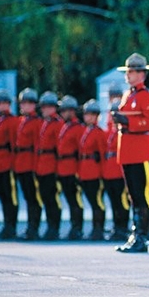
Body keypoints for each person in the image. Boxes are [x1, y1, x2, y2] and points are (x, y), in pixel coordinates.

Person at [112, 53, 149, 253]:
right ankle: (135, 234)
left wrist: (128, 121)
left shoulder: (147, 96)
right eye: (128, 71)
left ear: (142, 74)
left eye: (132, 71)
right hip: (127, 151)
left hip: (141, 152)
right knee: (132, 196)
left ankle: (143, 236)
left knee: (143, 196)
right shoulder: (128, 95)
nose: (128, 75)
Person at [0, 89, 20, 239]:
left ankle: (11, 225)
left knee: (10, 196)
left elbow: (15, 144)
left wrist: (14, 164)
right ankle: (6, 223)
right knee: (2, 195)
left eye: (4, 103)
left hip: (7, 162)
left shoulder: (12, 121)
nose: (1, 106)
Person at [14, 88, 43, 240]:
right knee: (27, 197)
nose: (26, 106)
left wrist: (36, 166)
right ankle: (29, 225)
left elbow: (37, 145)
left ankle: (34, 227)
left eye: (29, 103)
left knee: (33, 197)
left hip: (30, 163)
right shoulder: (20, 121)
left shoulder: (36, 122)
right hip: (21, 163)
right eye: (24, 103)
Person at [35, 91, 64, 240]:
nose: (45, 109)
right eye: (44, 107)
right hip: (42, 164)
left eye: (49, 107)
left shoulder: (57, 123)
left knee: (52, 198)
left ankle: (54, 227)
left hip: (51, 165)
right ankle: (50, 226)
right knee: (45, 197)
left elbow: (60, 147)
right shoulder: (44, 123)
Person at [57, 95, 86, 240]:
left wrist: (79, 172)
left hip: (73, 168)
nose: (61, 113)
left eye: (64, 110)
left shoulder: (78, 128)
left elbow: (81, 152)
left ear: (72, 111)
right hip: (63, 168)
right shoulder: (65, 126)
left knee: (75, 200)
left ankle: (77, 228)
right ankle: (73, 226)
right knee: (69, 199)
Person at [79, 99, 107, 240]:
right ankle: (95, 227)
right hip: (85, 171)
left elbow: (103, 154)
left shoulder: (98, 132)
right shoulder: (86, 131)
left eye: (91, 114)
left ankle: (99, 229)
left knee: (97, 202)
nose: (88, 117)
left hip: (95, 172)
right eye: (86, 114)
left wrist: (102, 174)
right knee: (91, 201)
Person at [102, 100, 130, 241]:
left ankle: (123, 227)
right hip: (109, 171)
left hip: (120, 172)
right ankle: (116, 226)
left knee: (122, 202)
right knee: (113, 202)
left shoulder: (124, 132)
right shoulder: (109, 132)